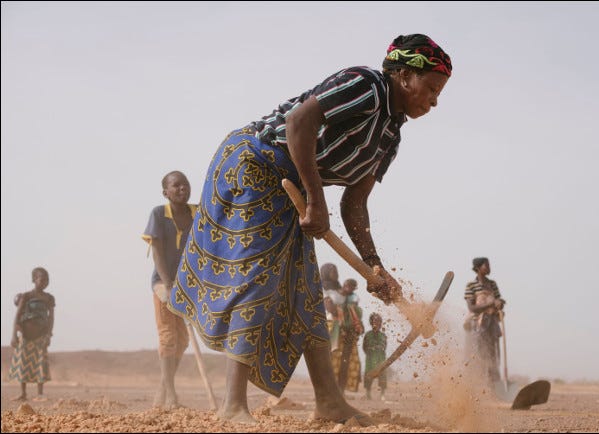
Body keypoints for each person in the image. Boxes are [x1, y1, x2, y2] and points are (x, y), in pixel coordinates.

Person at [168, 33, 452, 424]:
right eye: (432, 88)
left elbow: (355, 203)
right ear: (404, 76)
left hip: (296, 186)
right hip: (255, 162)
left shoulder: (390, 135)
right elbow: (298, 121)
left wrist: (374, 267)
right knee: (258, 274)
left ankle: (330, 402)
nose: (434, 101)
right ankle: (232, 405)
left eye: (439, 94)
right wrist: (317, 200)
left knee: (305, 288)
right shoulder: (365, 85)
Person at [142, 170, 197, 408]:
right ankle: (172, 397)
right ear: (166, 192)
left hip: (187, 284)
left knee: (183, 340)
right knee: (168, 337)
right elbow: (156, 252)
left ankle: (163, 390)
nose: (182, 189)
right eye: (176, 186)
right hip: (163, 282)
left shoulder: (197, 214)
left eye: (185, 184)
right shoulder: (158, 214)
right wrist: (169, 284)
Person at [9, 267, 55, 402]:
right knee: (23, 363)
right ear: (34, 279)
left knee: (40, 363)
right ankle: (23, 393)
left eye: (47, 280)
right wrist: (13, 335)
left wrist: (49, 335)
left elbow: (51, 318)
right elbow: (17, 315)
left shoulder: (49, 298)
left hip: (41, 335)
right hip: (25, 334)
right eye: (42, 279)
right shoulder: (26, 296)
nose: (45, 282)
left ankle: (40, 394)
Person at [464, 257, 505, 386]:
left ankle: (495, 387)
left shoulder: (492, 284)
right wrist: (491, 304)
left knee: (493, 355)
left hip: (492, 323)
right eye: (486, 265)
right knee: (480, 354)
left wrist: (499, 304)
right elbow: (472, 308)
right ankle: (479, 387)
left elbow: (499, 301)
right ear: (478, 268)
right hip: (478, 324)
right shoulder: (471, 286)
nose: (489, 268)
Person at [331, 278, 364, 394]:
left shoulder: (353, 301)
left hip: (349, 333)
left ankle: (341, 390)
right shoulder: (335, 296)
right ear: (344, 285)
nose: (347, 288)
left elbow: (355, 317)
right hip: (336, 332)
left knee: (345, 362)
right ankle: (331, 389)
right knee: (332, 361)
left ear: (354, 289)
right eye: (346, 286)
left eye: (351, 287)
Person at [362, 312, 388, 401]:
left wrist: (378, 350)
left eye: (378, 321)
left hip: (380, 359)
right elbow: (364, 347)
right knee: (369, 375)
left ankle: (382, 394)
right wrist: (370, 352)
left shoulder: (383, 336)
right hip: (370, 358)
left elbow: (384, 347)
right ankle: (368, 393)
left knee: (382, 375)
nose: (376, 323)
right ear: (371, 322)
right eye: (374, 321)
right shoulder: (367, 335)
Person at [320, 263, 345, 351]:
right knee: (332, 349)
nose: (336, 274)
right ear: (326, 273)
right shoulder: (323, 287)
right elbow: (327, 304)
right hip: (329, 321)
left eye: (336, 272)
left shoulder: (337, 287)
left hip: (341, 321)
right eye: (333, 272)